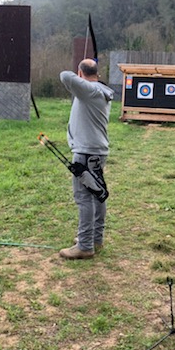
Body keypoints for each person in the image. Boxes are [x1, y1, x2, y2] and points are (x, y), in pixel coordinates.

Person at [59, 58, 114, 259]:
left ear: (81, 73)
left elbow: (65, 76)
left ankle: (85, 245)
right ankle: (95, 238)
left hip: (86, 153)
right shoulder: (99, 90)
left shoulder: (89, 90)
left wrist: (80, 78)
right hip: (96, 151)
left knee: (84, 197)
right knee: (97, 193)